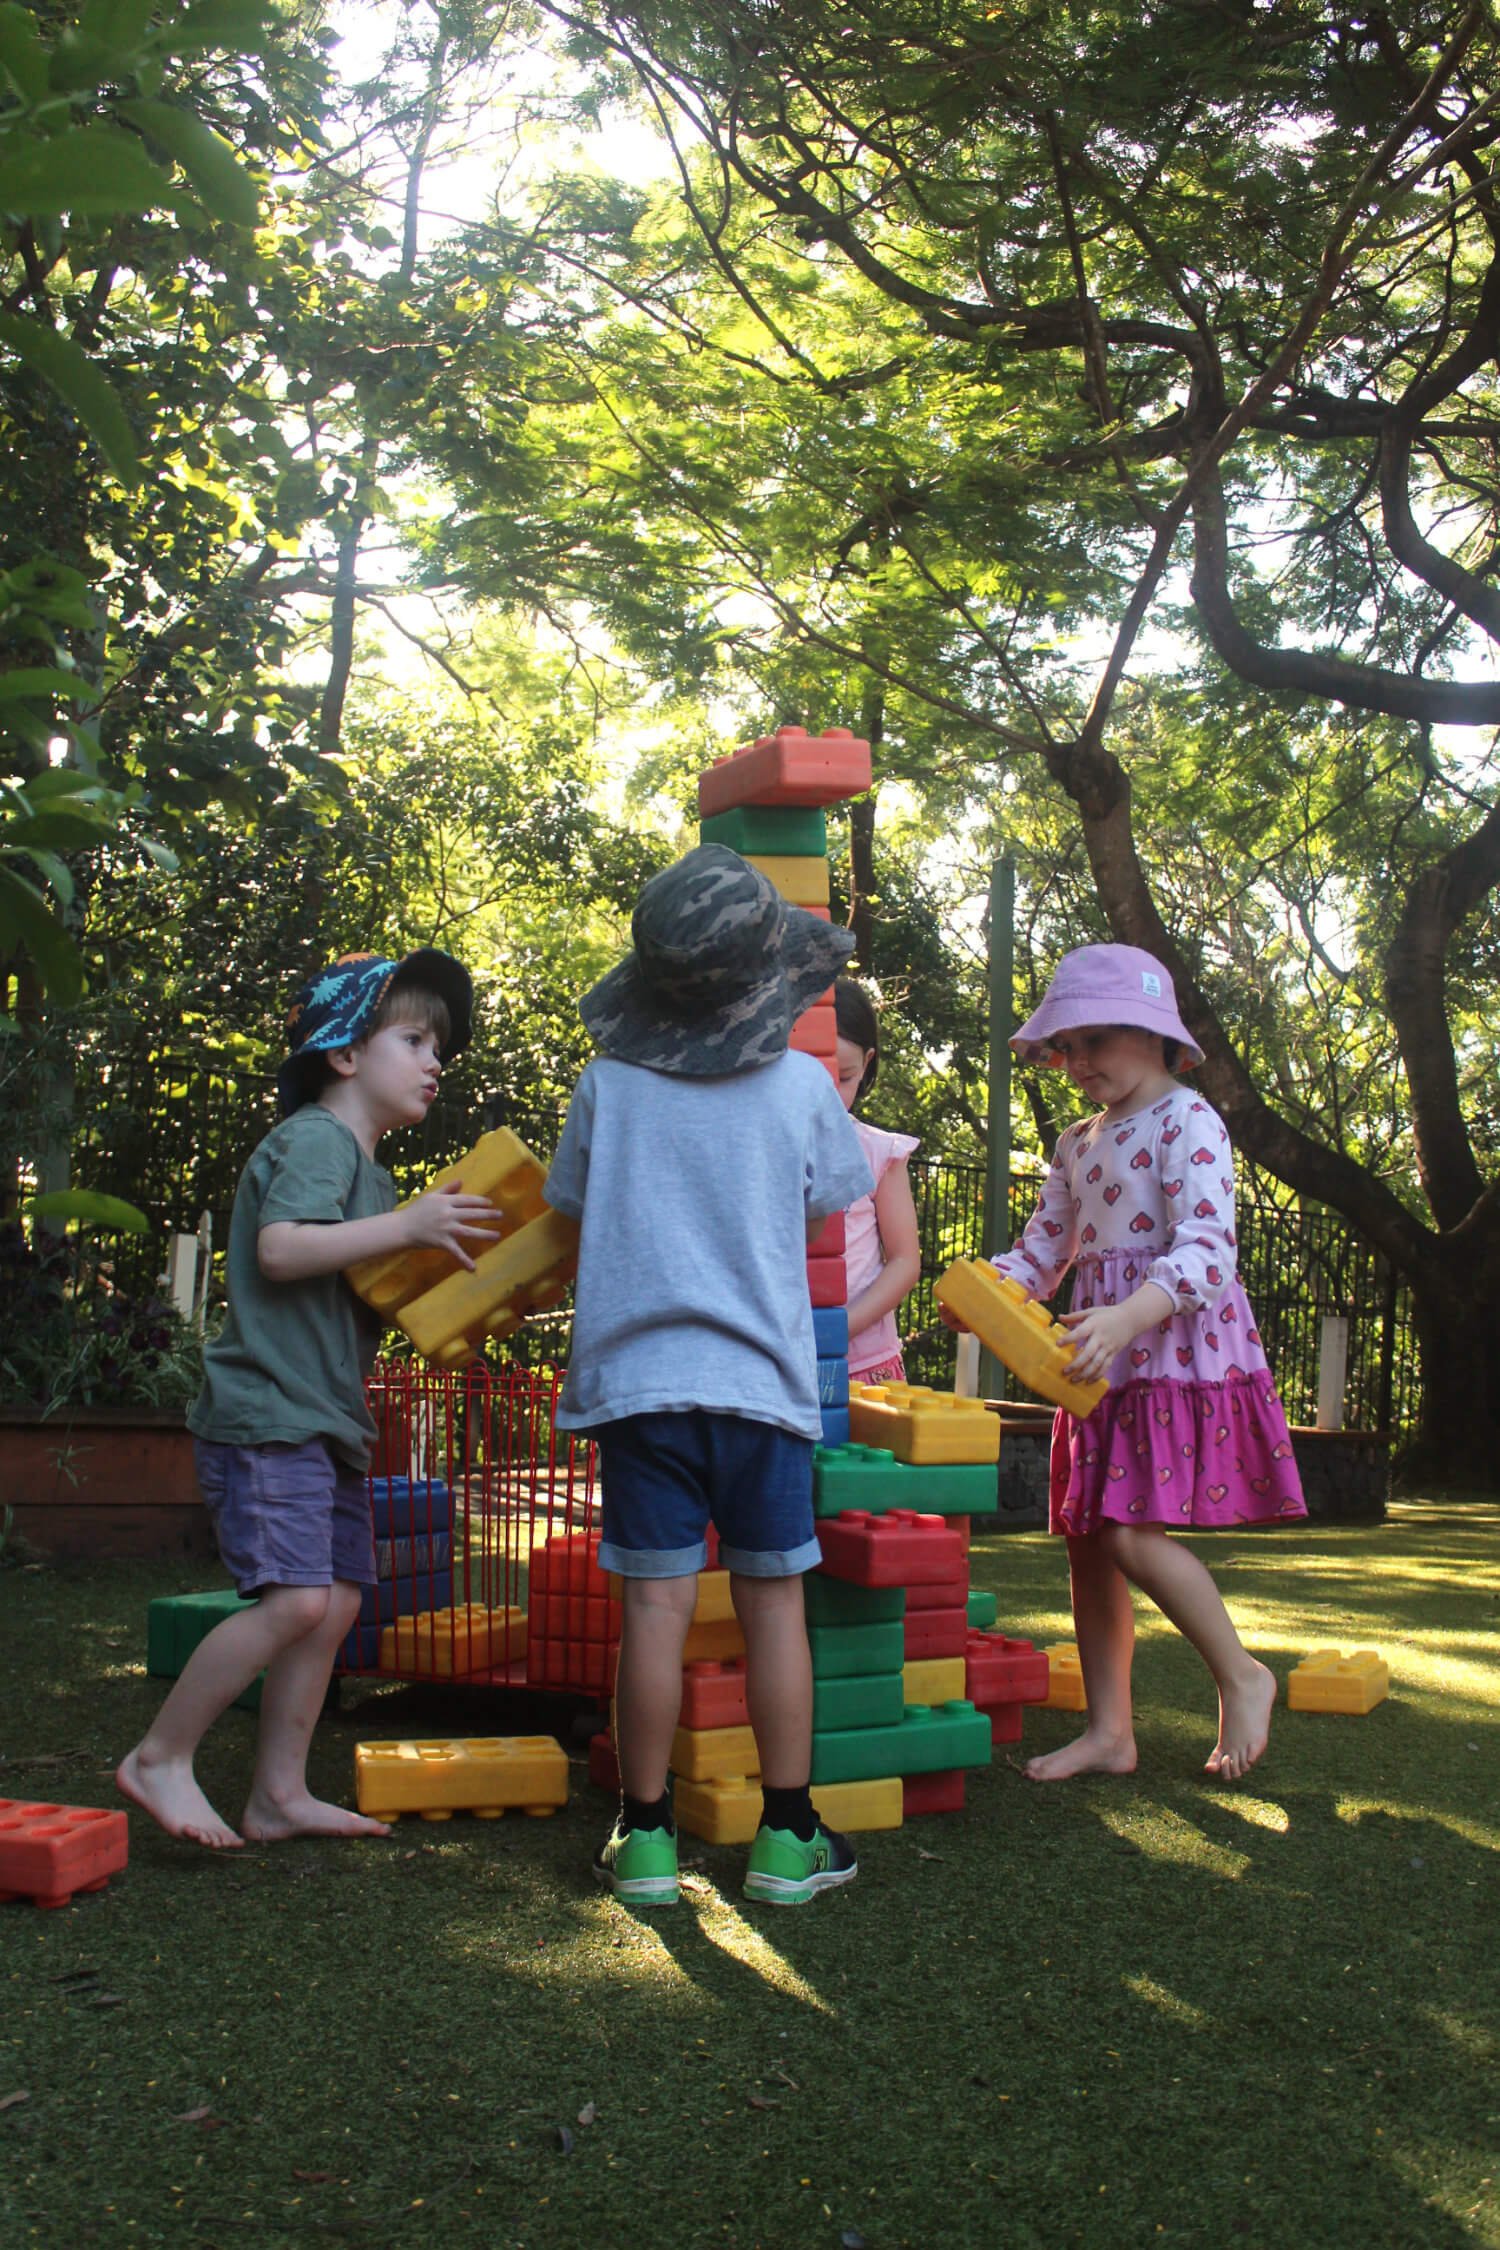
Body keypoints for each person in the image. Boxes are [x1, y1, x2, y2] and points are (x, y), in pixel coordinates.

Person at [546, 844, 874, 1908]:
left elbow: (573, 1205)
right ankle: (788, 1835)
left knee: (654, 1613)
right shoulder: (801, 1086)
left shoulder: (608, 1083)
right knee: (778, 1607)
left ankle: (643, 1839)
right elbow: (830, 1202)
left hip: (639, 1389)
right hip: (762, 1391)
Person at [117, 949, 501, 1851]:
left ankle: (278, 1794)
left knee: (332, 1605)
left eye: (437, 1045)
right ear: (343, 1055)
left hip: (324, 1420)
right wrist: (406, 1226)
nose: (435, 1060)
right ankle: (160, 1755)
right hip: (269, 1413)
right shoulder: (316, 1141)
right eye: (413, 1038)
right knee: (294, 1602)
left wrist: (453, 1292)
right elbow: (283, 1251)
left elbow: (358, 1290)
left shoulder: (366, 1174)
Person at [954, 942, 1306, 1785]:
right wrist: (984, 1289)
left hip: (1166, 1348)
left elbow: (1209, 1247)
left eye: (1091, 1042)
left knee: (1126, 1532)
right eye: (1063, 1048)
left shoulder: (1190, 1119)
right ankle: (1112, 1731)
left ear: (1151, 1036)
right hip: (1093, 1360)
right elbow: (1045, 1248)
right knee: (1088, 1537)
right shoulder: (1079, 1141)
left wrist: (1129, 1314)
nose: (1073, 1063)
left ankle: (1242, 1672)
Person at [833, 978, 921, 1382]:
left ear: (867, 1063)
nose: (828, 1093)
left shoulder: (879, 1152)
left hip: (864, 1364)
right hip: (778, 1367)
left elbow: (905, 1261)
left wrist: (840, 1328)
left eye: (845, 1077)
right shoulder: (761, 1149)